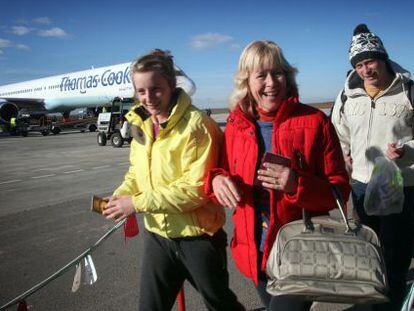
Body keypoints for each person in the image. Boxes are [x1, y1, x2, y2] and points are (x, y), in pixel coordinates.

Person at [205, 40, 350, 311]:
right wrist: (216, 180)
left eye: (278, 73)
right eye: (261, 75)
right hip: (254, 251)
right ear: (246, 81)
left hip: (300, 253)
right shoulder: (236, 125)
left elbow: (339, 190)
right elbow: (220, 172)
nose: (272, 83)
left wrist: (297, 183)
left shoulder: (315, 122)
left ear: (288, 76)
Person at [102, 49, 244, 311]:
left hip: (197, 237)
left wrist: (136, 203)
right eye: (141, 91)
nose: (148, 98)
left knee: (220, 304)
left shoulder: (197, 125)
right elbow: (136, 173)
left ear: (171, 85)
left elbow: (195, 191)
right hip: (158, 235)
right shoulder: (141, 124)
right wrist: (121, 195)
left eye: (156, 89)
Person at [331, 24, 414, 311]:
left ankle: (393, 304)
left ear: (384, 58)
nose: (366, 69)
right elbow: (338, 133)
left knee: (395, 253)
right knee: (367, 250)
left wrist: (407, 150)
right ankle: (371, 301)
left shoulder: (408, 91)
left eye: (371, 61)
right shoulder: (347, 95)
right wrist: (343, 156)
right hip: (361, 184)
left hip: (399, 185)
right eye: (360, 64)